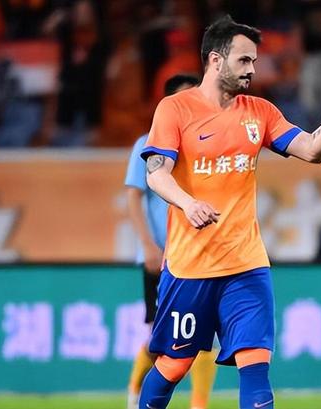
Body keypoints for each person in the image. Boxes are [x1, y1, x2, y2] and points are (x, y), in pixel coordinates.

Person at [139, 15, 321, 409]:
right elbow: (156, 174)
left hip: (246, 264)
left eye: (253, 61)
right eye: (243, 60)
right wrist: (188, 203)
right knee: (174, 365)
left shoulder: (260, 111)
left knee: (255, 366)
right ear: (215, 60)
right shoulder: (175, 109)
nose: (252, 69)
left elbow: (311, 151)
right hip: (190, 266)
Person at [124, 74, 217, 409]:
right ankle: (135, 393)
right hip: (162, 256)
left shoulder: (208, 143)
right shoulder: (148, 143)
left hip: (199, 255)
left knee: (205, 331)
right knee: (159, 335)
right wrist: (148, 245)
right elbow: (134, 197)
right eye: (184, 98)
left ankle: (199, 404)